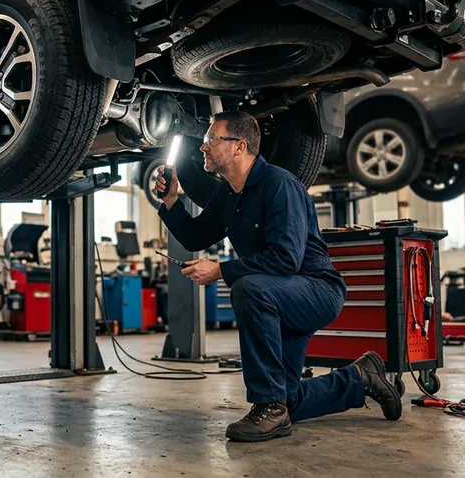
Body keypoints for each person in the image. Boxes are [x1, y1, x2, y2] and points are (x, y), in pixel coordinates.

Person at [156, 110, 402, 443]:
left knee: (249, 289)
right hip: (277, 295)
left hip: (315, 289)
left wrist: (221, 270)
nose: (203, 147)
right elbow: (196, 237)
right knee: (289, 399)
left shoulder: (279, 185)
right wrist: (172, 201)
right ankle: (361, 378)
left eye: (212, 139)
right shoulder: (227, 194)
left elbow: (285, 259)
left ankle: (268, 407)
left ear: (239, 146)